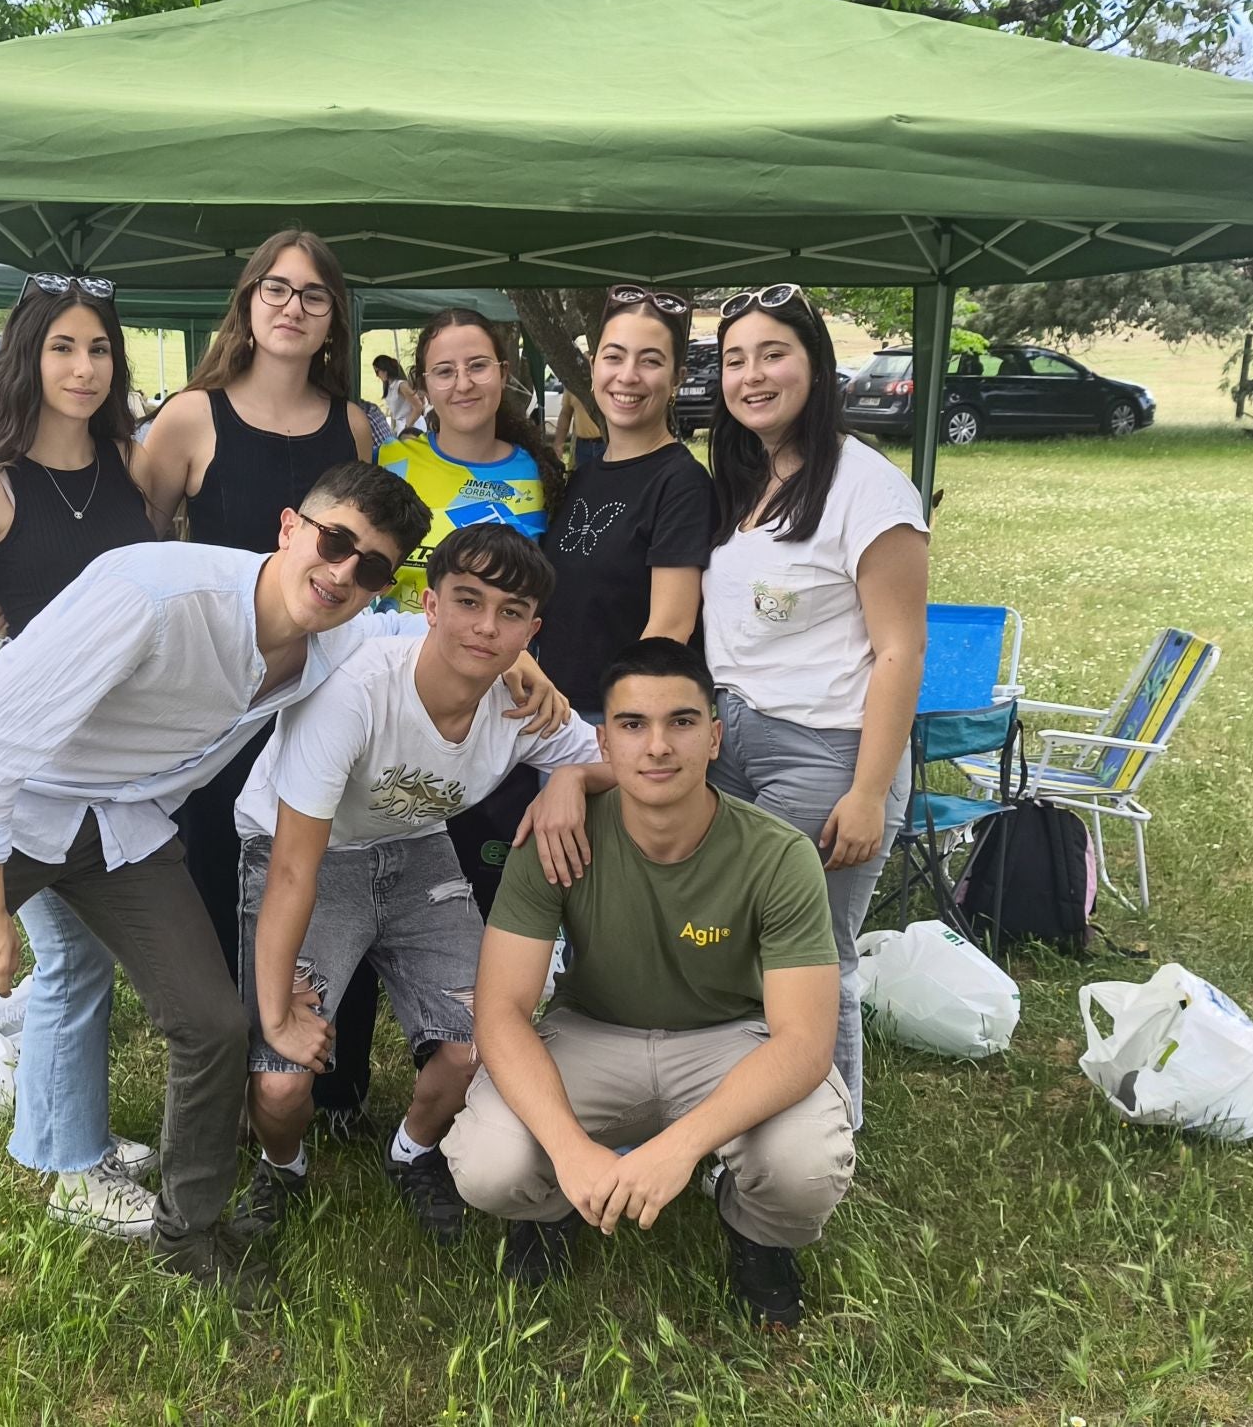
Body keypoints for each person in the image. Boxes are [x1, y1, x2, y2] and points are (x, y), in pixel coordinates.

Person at [0, 462, 438, 1348]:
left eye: (375, 566)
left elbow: (413, 644)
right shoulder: (159, 593)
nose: (347, 572)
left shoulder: (331, 638)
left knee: (211, 1021)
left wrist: (529, 688)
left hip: (111, 817)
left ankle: (188, 1232)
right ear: (288, 526)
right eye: (335, 540)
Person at [445, 639, 855, 1328]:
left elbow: (806, 1042)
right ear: (603, 741)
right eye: (633, 724)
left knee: (804, 1164)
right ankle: (552, 1210)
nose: (658, 745)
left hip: (729, 1038)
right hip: (593, 1031)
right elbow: (502, 1012)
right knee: (489, 1162)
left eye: (682, 722)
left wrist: (678, 1148)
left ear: (716, 736)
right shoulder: (557, 835)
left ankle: (756, 1232)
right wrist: (573, 1152)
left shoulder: (779, 854)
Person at [231, 526, 602, 1246]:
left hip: (414, 850)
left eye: (509, 612)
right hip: (302, 854)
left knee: (479, 1040)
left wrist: (572, 776)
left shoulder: (522, 703)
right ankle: (283, 1164)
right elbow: (292, 867)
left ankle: (413, 1151)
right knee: (281, 1080)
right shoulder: (358, 692)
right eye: (468, 601)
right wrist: (276, 1014)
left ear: (533, 629)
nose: (486, 627)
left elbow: (622, 757)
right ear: (429, 604)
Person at [0, 273, 162, 1241]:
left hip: (121, 756)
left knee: (77, 955)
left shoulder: (132, 466)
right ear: (27, 358)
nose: (84, 367)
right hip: (27, 759)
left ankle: (64, 1134)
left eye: (99, 349)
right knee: (70, 959)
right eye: (62, 348)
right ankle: (71, 1165)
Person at [132, 231, 376, 1131]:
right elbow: (141, 547)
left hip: (317, 688)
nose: (292, 307)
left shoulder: (351, 426)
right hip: (214, 694)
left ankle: (324, 1072)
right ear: (248, 300)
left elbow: (364, 558)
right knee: (211, 873)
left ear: (331, 320)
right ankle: (225, 1069)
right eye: (277, 288)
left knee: (316, 868)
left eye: (313, 296)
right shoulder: (192, 416)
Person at [702, 283, 929, 1130]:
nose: (752, 375)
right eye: (735, 360)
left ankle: (823, 1140)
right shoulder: (743, 481)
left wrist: (869, 792)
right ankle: (742, 1114)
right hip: (732, 738)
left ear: (815, 365)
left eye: (773, 354)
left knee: (806, 954)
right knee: (733, 942)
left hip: (828, 751)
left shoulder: (869, 489)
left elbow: (902, 650)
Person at [537, 285, 714, 721]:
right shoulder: (581, 477)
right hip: (551, 713)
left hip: (618, 720)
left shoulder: (682, 483)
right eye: (614, 357)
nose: (628, 375)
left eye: (650, 361)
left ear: (677, 379)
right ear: (594, 366)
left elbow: (669, 630)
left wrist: (624, 725)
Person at [374, 308, 564, 615]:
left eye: (477, 366)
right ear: (423, 385)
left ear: (503, 374)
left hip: (498, 661)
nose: (463, 384)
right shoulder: (388, 462)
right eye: (445, 371)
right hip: (392, 656)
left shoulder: (540, 476)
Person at [550, 363, 606, 471]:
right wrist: (558, 443)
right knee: (584, 482)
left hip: (605, 444)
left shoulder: (607, 382)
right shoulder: (573, 384)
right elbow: (566, 413)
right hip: (582, 445)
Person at [373, 353, 424, 439]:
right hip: (401, 426)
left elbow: (418, 406)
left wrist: (407, 428)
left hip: (413, 426)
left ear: (385, 370)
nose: (377, 375)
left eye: (377, 371)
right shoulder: (389, 387)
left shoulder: (401, 385)